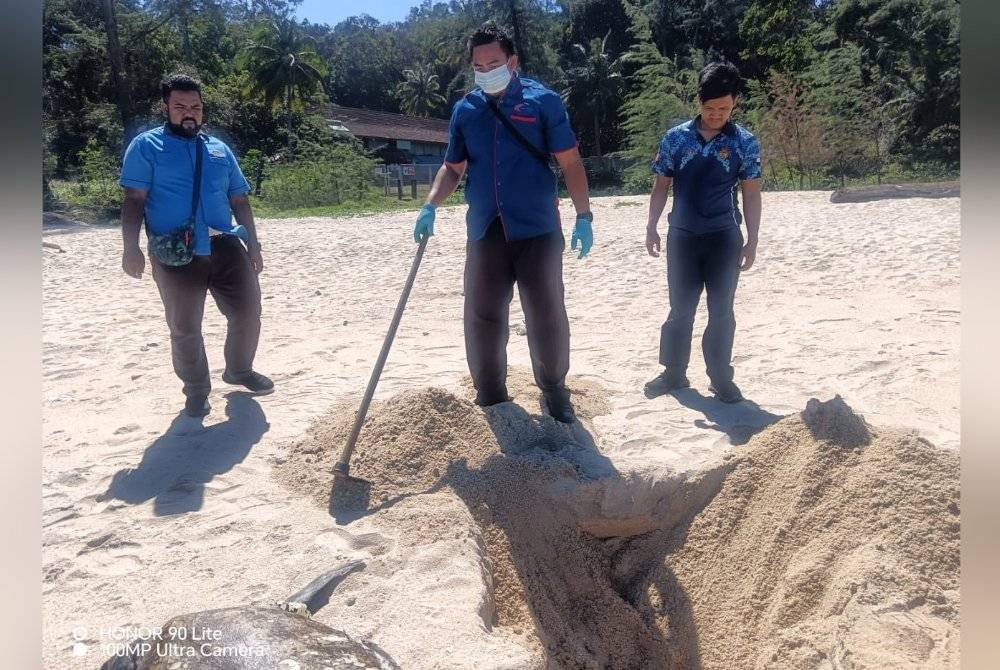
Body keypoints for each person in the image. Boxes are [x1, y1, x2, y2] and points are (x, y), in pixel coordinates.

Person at [414, 22, 594, 423]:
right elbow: (452, 168)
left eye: (493, 62)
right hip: (485, 229)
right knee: (482, 315)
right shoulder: (466, 110)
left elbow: (570, 162)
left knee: (545, 314)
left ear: (512, 61)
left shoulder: (543, 102)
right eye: (478, 66)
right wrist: (430, 205)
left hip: (538, 230)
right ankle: (492, 395)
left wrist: (584, 215)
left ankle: (553, 390)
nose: (486, 71)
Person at [118, 73, 273, 418]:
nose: (189, 113)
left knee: (248, 312)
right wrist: (131, 247)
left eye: (195, 107)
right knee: (185, 327)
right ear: (165, 107)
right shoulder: (146, 146)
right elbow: (134, 199)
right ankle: (197, 390)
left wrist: (255, 244)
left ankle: (239, 370)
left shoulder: (219, 149)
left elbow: (240, 199)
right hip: (176, 251)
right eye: (180, 106)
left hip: (226, 244)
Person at [643, 61, 762, 404]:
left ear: (735, 102)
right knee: (680, 309)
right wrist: (651, 226)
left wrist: (752, 239)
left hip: (724, 236)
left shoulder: (744, 142)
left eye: (724, 108)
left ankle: (721, 378)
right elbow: (661, 185)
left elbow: (751, 193)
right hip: (682, 235)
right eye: (709, 108)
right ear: (698, 101)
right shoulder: (676, 138)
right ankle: (673, 373)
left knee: (722, 310)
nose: (716, 114)